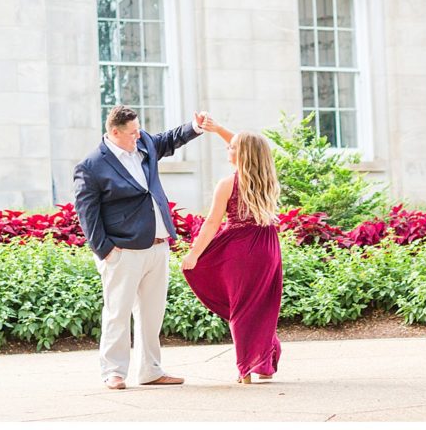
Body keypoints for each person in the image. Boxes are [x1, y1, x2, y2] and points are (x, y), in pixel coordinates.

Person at [74, 105, 209, 390]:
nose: (139, 135)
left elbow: (166, 140)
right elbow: (87, 214)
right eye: (133, 132)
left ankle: (150, 370)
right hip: (122, 251)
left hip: (158, 245)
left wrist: (194, 127)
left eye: (139, 130)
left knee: (152, 313)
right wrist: (106, 250)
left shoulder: (143, 142)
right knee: (117, 313)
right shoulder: (91, 166)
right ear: (114, 132)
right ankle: (114, 372)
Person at [181, 119, 283, 384]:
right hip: (268, 249)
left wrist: (194, 254)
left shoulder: (228, 184)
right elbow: (252, 147)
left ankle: (245, 368)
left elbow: (213, 223)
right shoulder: (267, 180)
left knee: (240, 309)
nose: (228, 148)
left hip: (240, 251)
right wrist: (218, 130)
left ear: (241, 154)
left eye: (232, 147)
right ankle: (261, 362)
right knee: (261, 307)